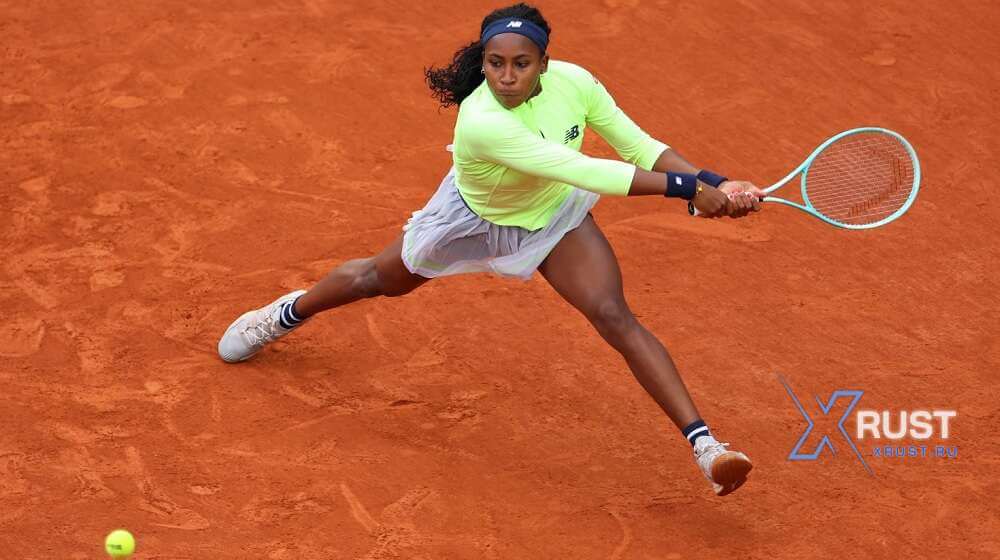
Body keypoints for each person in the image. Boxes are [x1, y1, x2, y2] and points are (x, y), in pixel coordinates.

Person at [218, 2, 763, 496]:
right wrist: (690, 190)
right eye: (495, 63)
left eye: (521, 64)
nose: (506, 76)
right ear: (483, 62)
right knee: (378, 280)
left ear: (544, 63)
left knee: (613, 314)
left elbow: (638, 146)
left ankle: (706, 447)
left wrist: (716, 181)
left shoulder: (576, 83)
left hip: (550, 214)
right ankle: (286, 313)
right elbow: (583, 169)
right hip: (472, 219)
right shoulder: (482, 121)